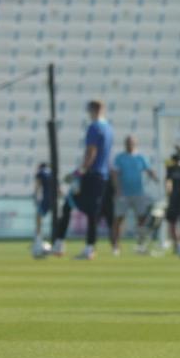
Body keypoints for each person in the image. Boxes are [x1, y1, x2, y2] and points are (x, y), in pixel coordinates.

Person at [64, 100, 115, 260]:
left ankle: (71, 245)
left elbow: (91, 153)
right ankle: (91, 247)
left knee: (70, 203)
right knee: (95, 212)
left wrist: (79, 172)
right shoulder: (109, 128)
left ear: (95, 109)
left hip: (92, 174)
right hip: (103, 176)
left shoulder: (94, 127)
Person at [111, 135, 158, 255]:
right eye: (128, 142)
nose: (129, 145)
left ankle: (140, 245)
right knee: (119, 219)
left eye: (131, 143)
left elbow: (149, 170)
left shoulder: (141, 157)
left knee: (141, 219)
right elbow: (115, 174)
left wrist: (157, 178)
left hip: (138, 193)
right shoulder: (120, 158)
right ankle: (116, 246)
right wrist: (117, 189)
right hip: (123, 193)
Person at [32, 162, 55, 252]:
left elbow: (37, 186)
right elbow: (58, 188)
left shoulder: (40, 173)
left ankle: (38, 241)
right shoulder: (52, 173)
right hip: (54, 199)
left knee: (38, 218)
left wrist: (35, 196)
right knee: (55, 221)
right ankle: (57, 241)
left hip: (45, 199)